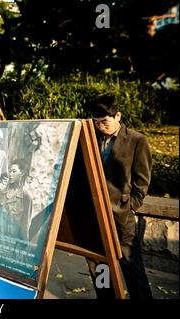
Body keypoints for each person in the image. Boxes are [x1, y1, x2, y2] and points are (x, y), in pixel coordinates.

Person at [88, 94, 153, 299]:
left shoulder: (137, 140)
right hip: (95, 216)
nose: (100, 126)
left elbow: (142, 181)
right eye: (96, 122)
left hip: (121, 216)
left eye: (104, 122)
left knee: (132, 267)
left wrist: (129, 205)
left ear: (118, 116)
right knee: (100, 266)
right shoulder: (91, 137)